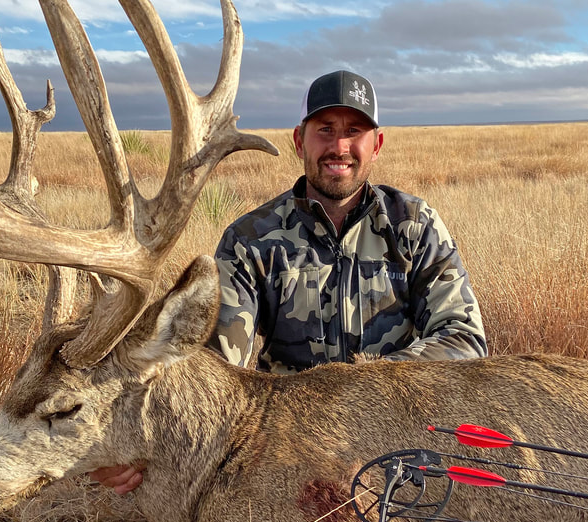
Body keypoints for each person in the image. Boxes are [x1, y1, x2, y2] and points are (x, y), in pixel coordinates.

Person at [91, 69, 487, 494]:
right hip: (287, 445)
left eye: (354, 131)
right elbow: (213, 367)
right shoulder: (251, 239)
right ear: (300, 141)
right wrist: (125, 441)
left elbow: (464, 339)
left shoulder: (414, 225)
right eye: (325, 130)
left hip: (397, 434)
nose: (339, 147)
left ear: (376, 145)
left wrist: (368, 390)